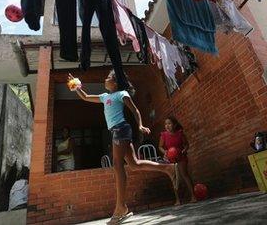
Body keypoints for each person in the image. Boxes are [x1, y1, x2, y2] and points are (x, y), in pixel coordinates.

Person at [69, 71, 178, 224]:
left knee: (117, 164)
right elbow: (86, 97)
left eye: (108, 77)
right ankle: (168, 168)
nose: (105, 79)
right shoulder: (105, 97)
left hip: (121, 129)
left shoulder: (122, 93)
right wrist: (77, 86)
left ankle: (120, 206)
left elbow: (135, 110)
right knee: (134, 164)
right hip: (117, 131)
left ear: (115, 82)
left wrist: (140, 125)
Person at [159, 117, 196, 205]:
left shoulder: (180, 133)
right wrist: (166, 152)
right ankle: (178, 200)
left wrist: (184, 151)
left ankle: (193, 197)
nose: (167, 126)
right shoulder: (163, 135)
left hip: (181, 157)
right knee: (174, 178)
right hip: (170, 158)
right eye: (166, 124)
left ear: (174, 125)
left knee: (184, 174)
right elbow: (160, 146)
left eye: (169, 123)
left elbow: (186, 144)